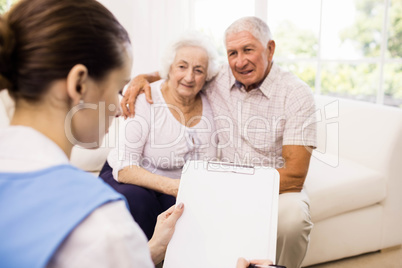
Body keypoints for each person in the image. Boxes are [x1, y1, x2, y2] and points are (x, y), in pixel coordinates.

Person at [122, 16, 316, 268]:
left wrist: (238, 189)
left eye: (248, 50)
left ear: (270, 49)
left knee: (293, 218)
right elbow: (182, 72)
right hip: (221, 181)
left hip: (275, 186)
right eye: (232, 52)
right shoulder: (219, 76)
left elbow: (295, 175)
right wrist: (143, 78)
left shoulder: (296, 93)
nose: (240, 61)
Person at [0, 0, 184, 267]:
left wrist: (152, 248)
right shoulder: (101, 222)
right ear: (79, 84)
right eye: (119, 89)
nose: (121, 110)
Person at [99, 32, 219, 240]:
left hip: (174, 187)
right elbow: (125, 167)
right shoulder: (145, 98)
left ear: (207, 75)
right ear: (169, 69)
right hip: (128, 177)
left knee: (184, 209)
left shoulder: (212, 104)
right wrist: (173, 186)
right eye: (182, 67)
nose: (189, 77)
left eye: (198, 70)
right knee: (137, 200)